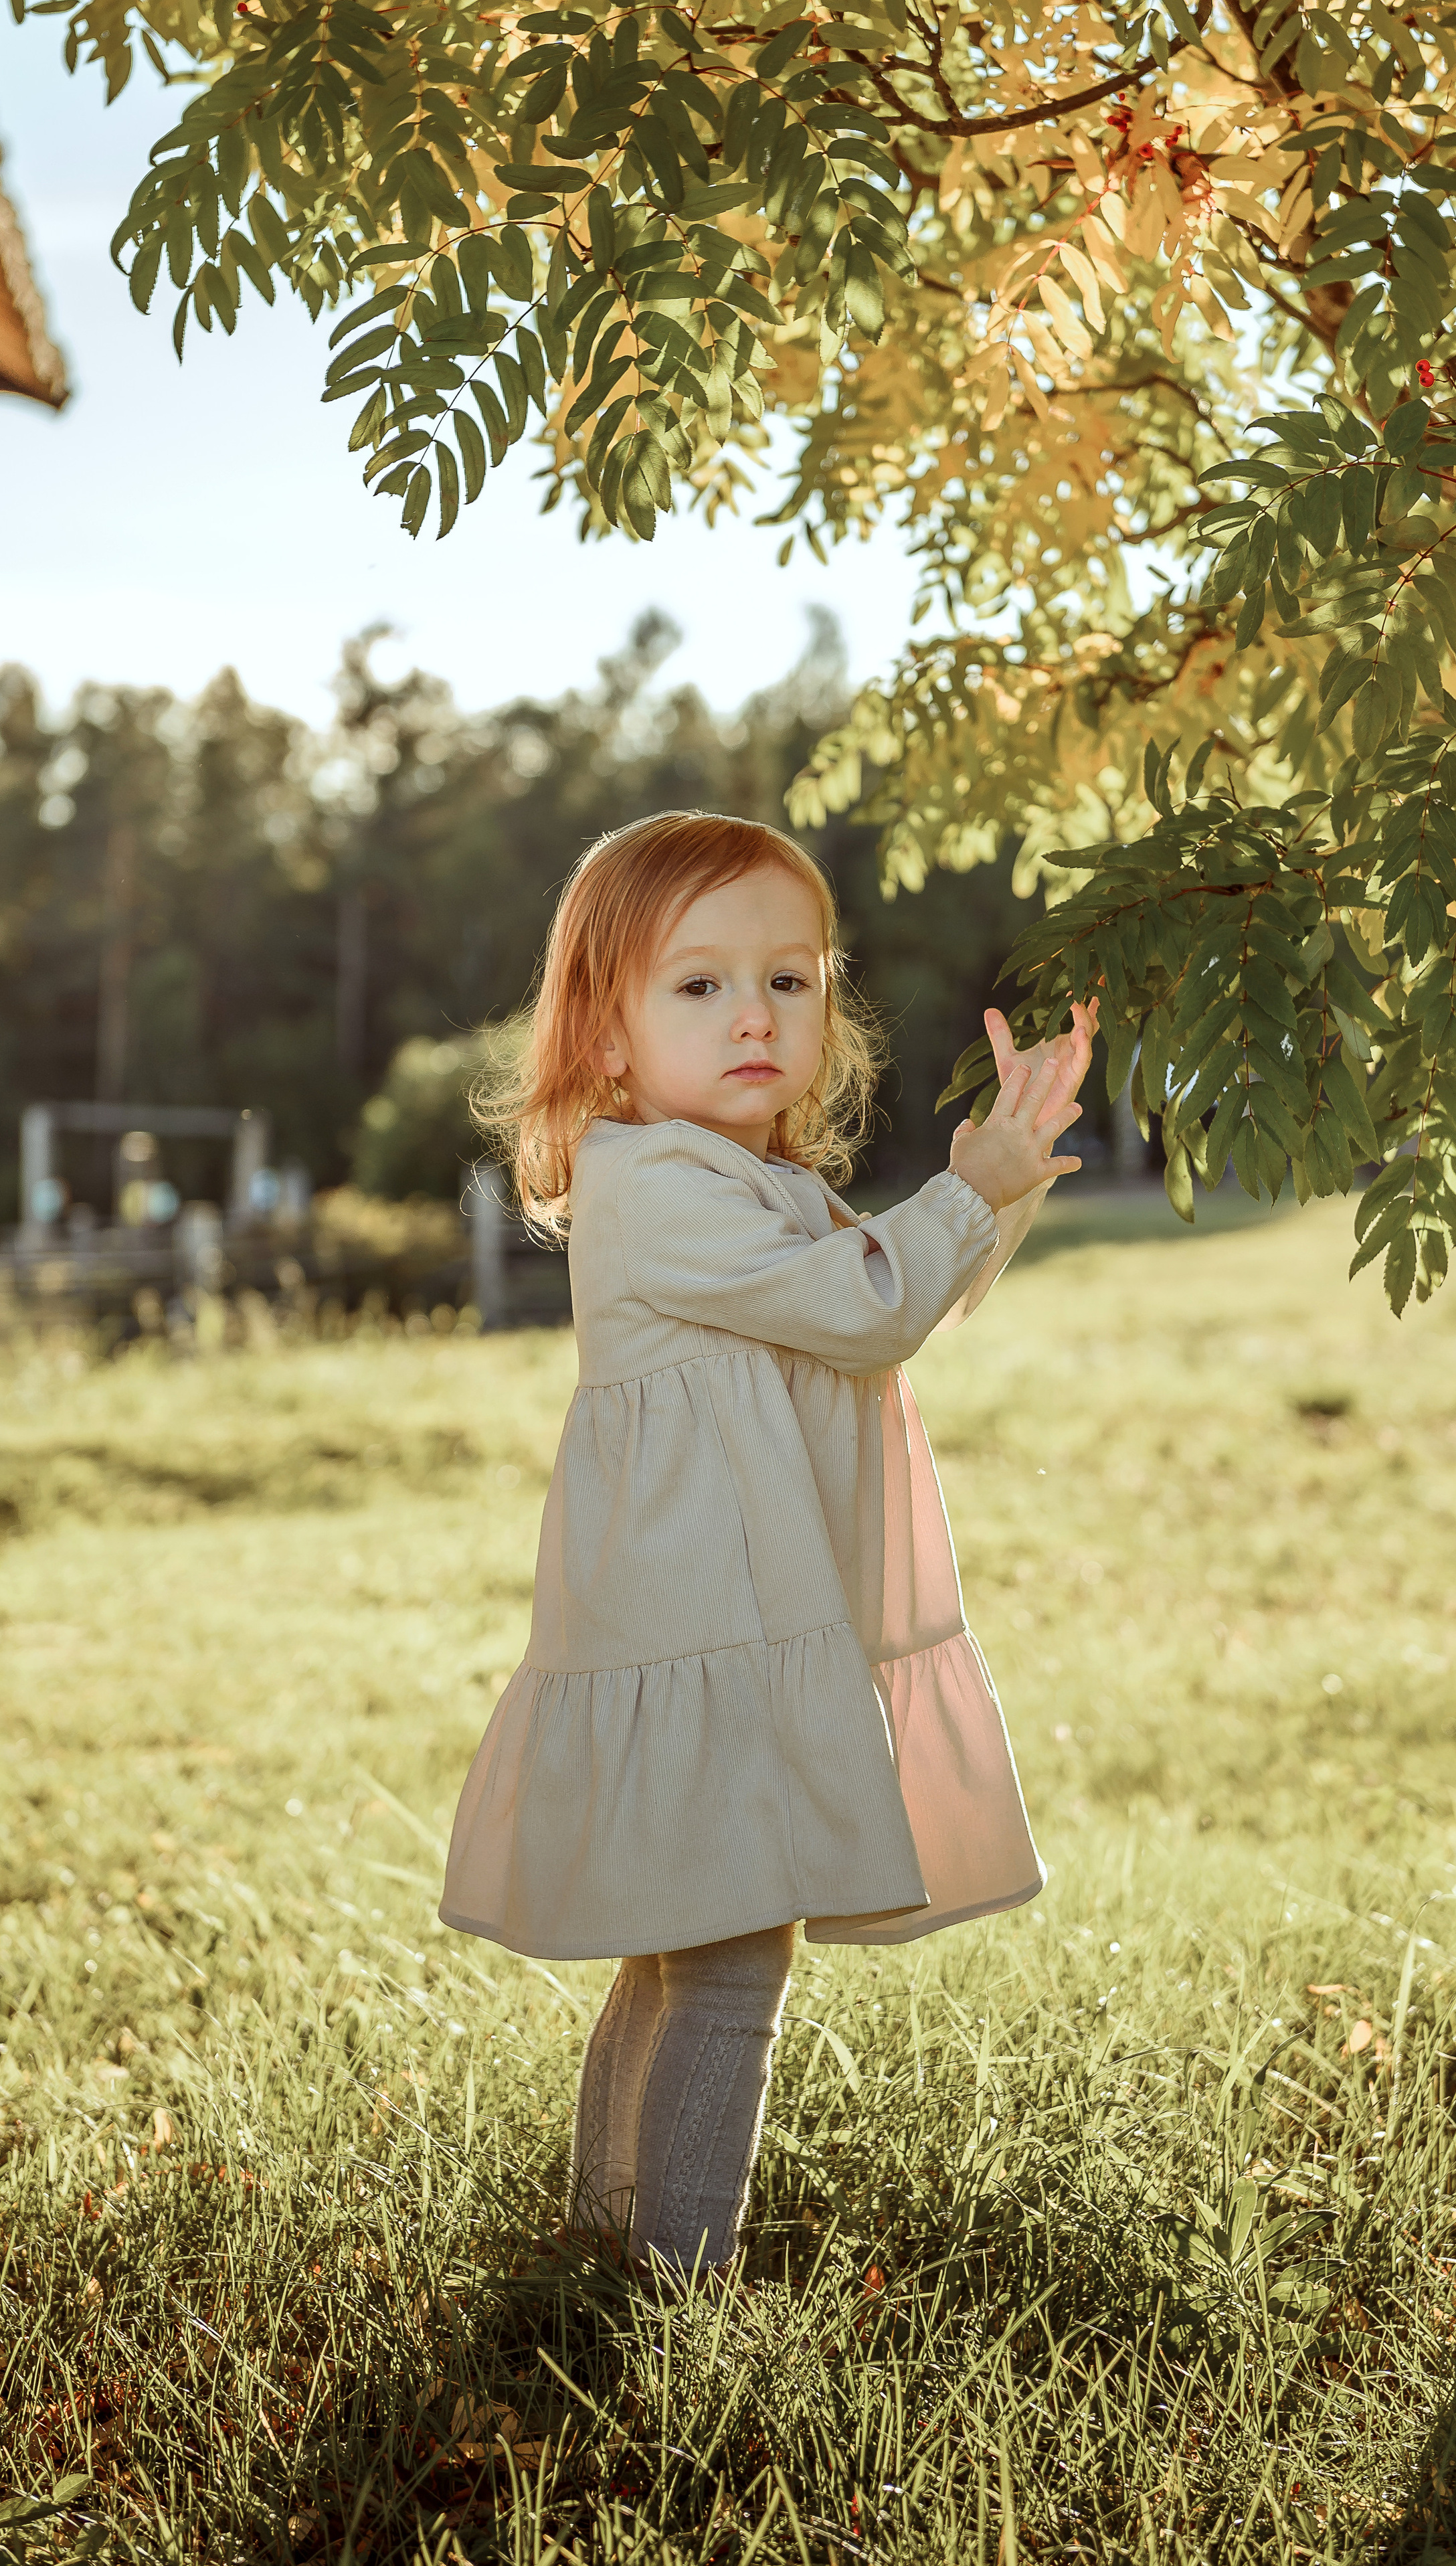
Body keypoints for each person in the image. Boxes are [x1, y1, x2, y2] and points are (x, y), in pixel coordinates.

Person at [440, 808, 1095, 2282]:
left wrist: (1002, 1177)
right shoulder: (657, 1185)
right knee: (733, 1961)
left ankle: (607, 2252)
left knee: (684, 1949)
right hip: (708, 1628)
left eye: (788, 981)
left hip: (721, 1619)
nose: (754, 1013)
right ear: (604, 1038)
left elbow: (873, 1302)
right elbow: (868, 1302)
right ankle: (668, 2289)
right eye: (698, 986)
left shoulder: (742, 1183)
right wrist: (968, 1189)